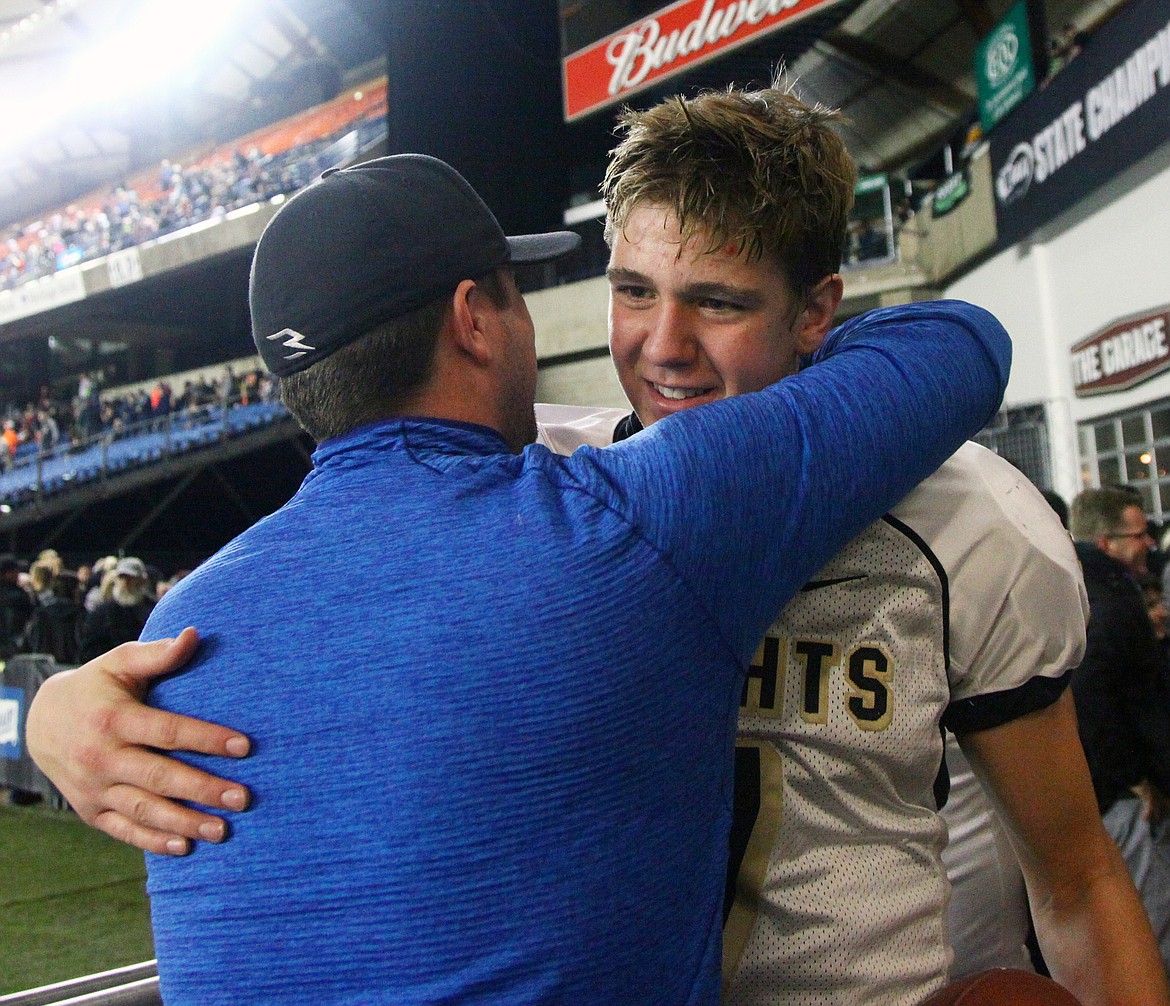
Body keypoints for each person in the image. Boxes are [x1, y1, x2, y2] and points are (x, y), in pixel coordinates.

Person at [26, 89, 1166, 1006]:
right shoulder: (580, 490)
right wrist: (59, 711)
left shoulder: (966, 514)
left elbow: (1072, 874)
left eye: (716, 300)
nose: (661, 347)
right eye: (630, 290)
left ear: (818, 312)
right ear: (479, 319)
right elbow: (957, 342)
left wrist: (53, 710)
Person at [1069, 488, 1170, 968]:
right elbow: (1132, 703)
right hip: (1117, 795)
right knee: (1150, 933)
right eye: (1139, 534)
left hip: (1082, 790)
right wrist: (1141, 778)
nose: (1148, 543)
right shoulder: (1111, 600)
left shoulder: (1062, 586)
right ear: (1107, 541)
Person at [78, 557, 155, 662]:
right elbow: (88, 650)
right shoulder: (101, 613)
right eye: (122, 578)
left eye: (131, 578)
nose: (126, 583)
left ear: (142, 581)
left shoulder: (153, 610)